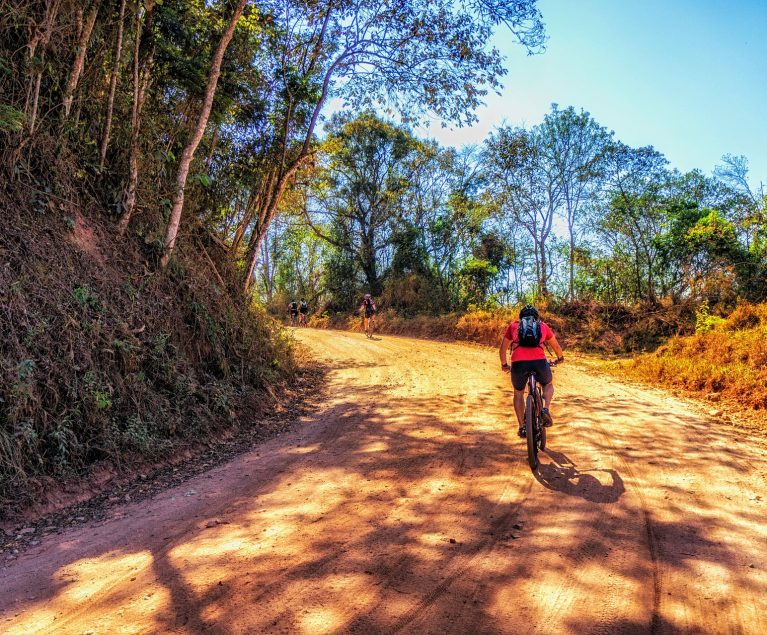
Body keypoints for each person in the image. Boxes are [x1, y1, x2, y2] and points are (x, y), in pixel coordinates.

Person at [499, 304, 565, 438]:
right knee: (547, 384)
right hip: (539, 363)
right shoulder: (543, 326)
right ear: (536, 317)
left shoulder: (514, 326)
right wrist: (560, 358)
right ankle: (545, 409)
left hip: (519, 364)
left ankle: (522, 427)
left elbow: (502, 349)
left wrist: (504, 365)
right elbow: (556, 346)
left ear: (520, 317)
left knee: (518, 393)